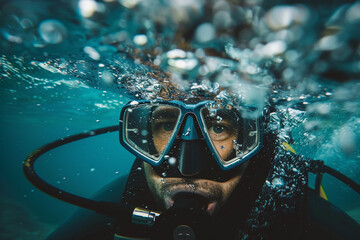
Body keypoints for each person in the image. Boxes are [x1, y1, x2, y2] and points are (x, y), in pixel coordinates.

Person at [44, 84, 360, 239]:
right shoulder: (126, 198)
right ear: (141, 136)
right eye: (167, 125)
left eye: (220, 127)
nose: (188, 166)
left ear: (251, 142)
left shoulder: (286, 204)